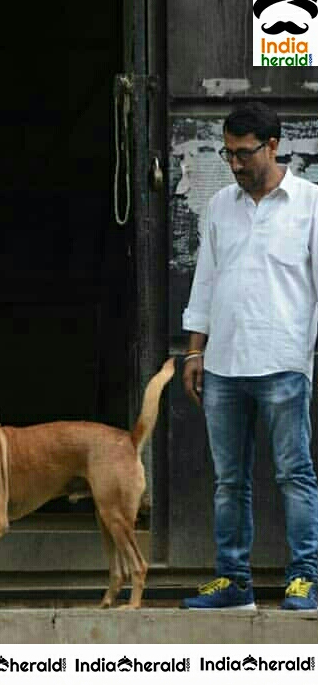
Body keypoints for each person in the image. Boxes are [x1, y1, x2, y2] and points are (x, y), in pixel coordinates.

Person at [181, 101, 318, 611]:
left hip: (284, 362)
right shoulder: (220, 205)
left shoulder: (309, 203)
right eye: (228, 154)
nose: (235, 164)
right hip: (224, 366)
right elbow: (206, 279)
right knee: (229, 480)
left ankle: (305, 577)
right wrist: (194, 349)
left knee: (294, 473)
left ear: (274, 146)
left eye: (244, 154)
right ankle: (233, 582)